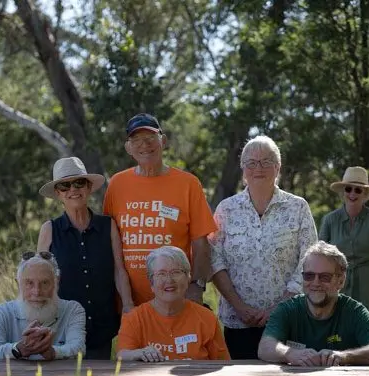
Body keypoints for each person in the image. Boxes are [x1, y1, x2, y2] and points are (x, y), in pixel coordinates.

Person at [208, 135, 317, 359]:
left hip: (288, 320)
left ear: (277, 167)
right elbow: (215, 261)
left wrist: (278, 309)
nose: (259, 168)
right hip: (238, 322)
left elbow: (309, 261)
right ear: (243, 169)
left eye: (267, 161)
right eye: (251, 162)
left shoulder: (298, 208)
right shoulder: (226, 209)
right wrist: (239, 307)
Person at [103, 113, 217, 306]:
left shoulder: (188, 184)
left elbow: (201, 243)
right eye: (136, 140)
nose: (144, 145)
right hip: (130, 303)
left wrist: (197, 286)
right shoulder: (117, 184)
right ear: (128, 148)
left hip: (177, 299)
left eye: (150, 138)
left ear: (163, 141)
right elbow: (110, 242)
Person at [36, 157, 134, 360]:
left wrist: (128, 306)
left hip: (102, 327)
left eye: (79, 183)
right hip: (62, 328)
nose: (73, 189)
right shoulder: (49, 230)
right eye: (65, 186)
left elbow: (119, 270)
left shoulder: (108, 226)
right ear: (58, 194)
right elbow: (39, 279)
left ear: (89, 187)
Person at [258, 241, 369, 366]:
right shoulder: (287, 310)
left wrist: (345, 356)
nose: (316, 283)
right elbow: (265, 347)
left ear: (341, 281)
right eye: (309, 276)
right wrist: (290, 354)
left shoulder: (354, 311)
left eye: (325, 277)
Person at [116, 246, 230, 362]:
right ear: (151, 283)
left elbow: (223, 365)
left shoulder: (207, 318)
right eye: (161, 274)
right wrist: (138, 353)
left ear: (188, 278)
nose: (169, 280)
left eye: (176, 272)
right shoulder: (134, 318)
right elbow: (121, 356)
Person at [319, 166, 369, 328]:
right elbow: (321, 254)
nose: (352, 194)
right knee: (338, 326)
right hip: (337, 282)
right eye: (348, 189)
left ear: (365, 195)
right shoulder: (330, 220)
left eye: (358, 190)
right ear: (343, 192)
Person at [0, 252, 86, 360]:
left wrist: (52, 352)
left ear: (56, 282)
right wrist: (19, 349)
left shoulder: (72, 310)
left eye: (45, 283)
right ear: (18, 283)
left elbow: (79, 349)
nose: (37, 292)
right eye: (29, 283)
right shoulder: (0, 313)